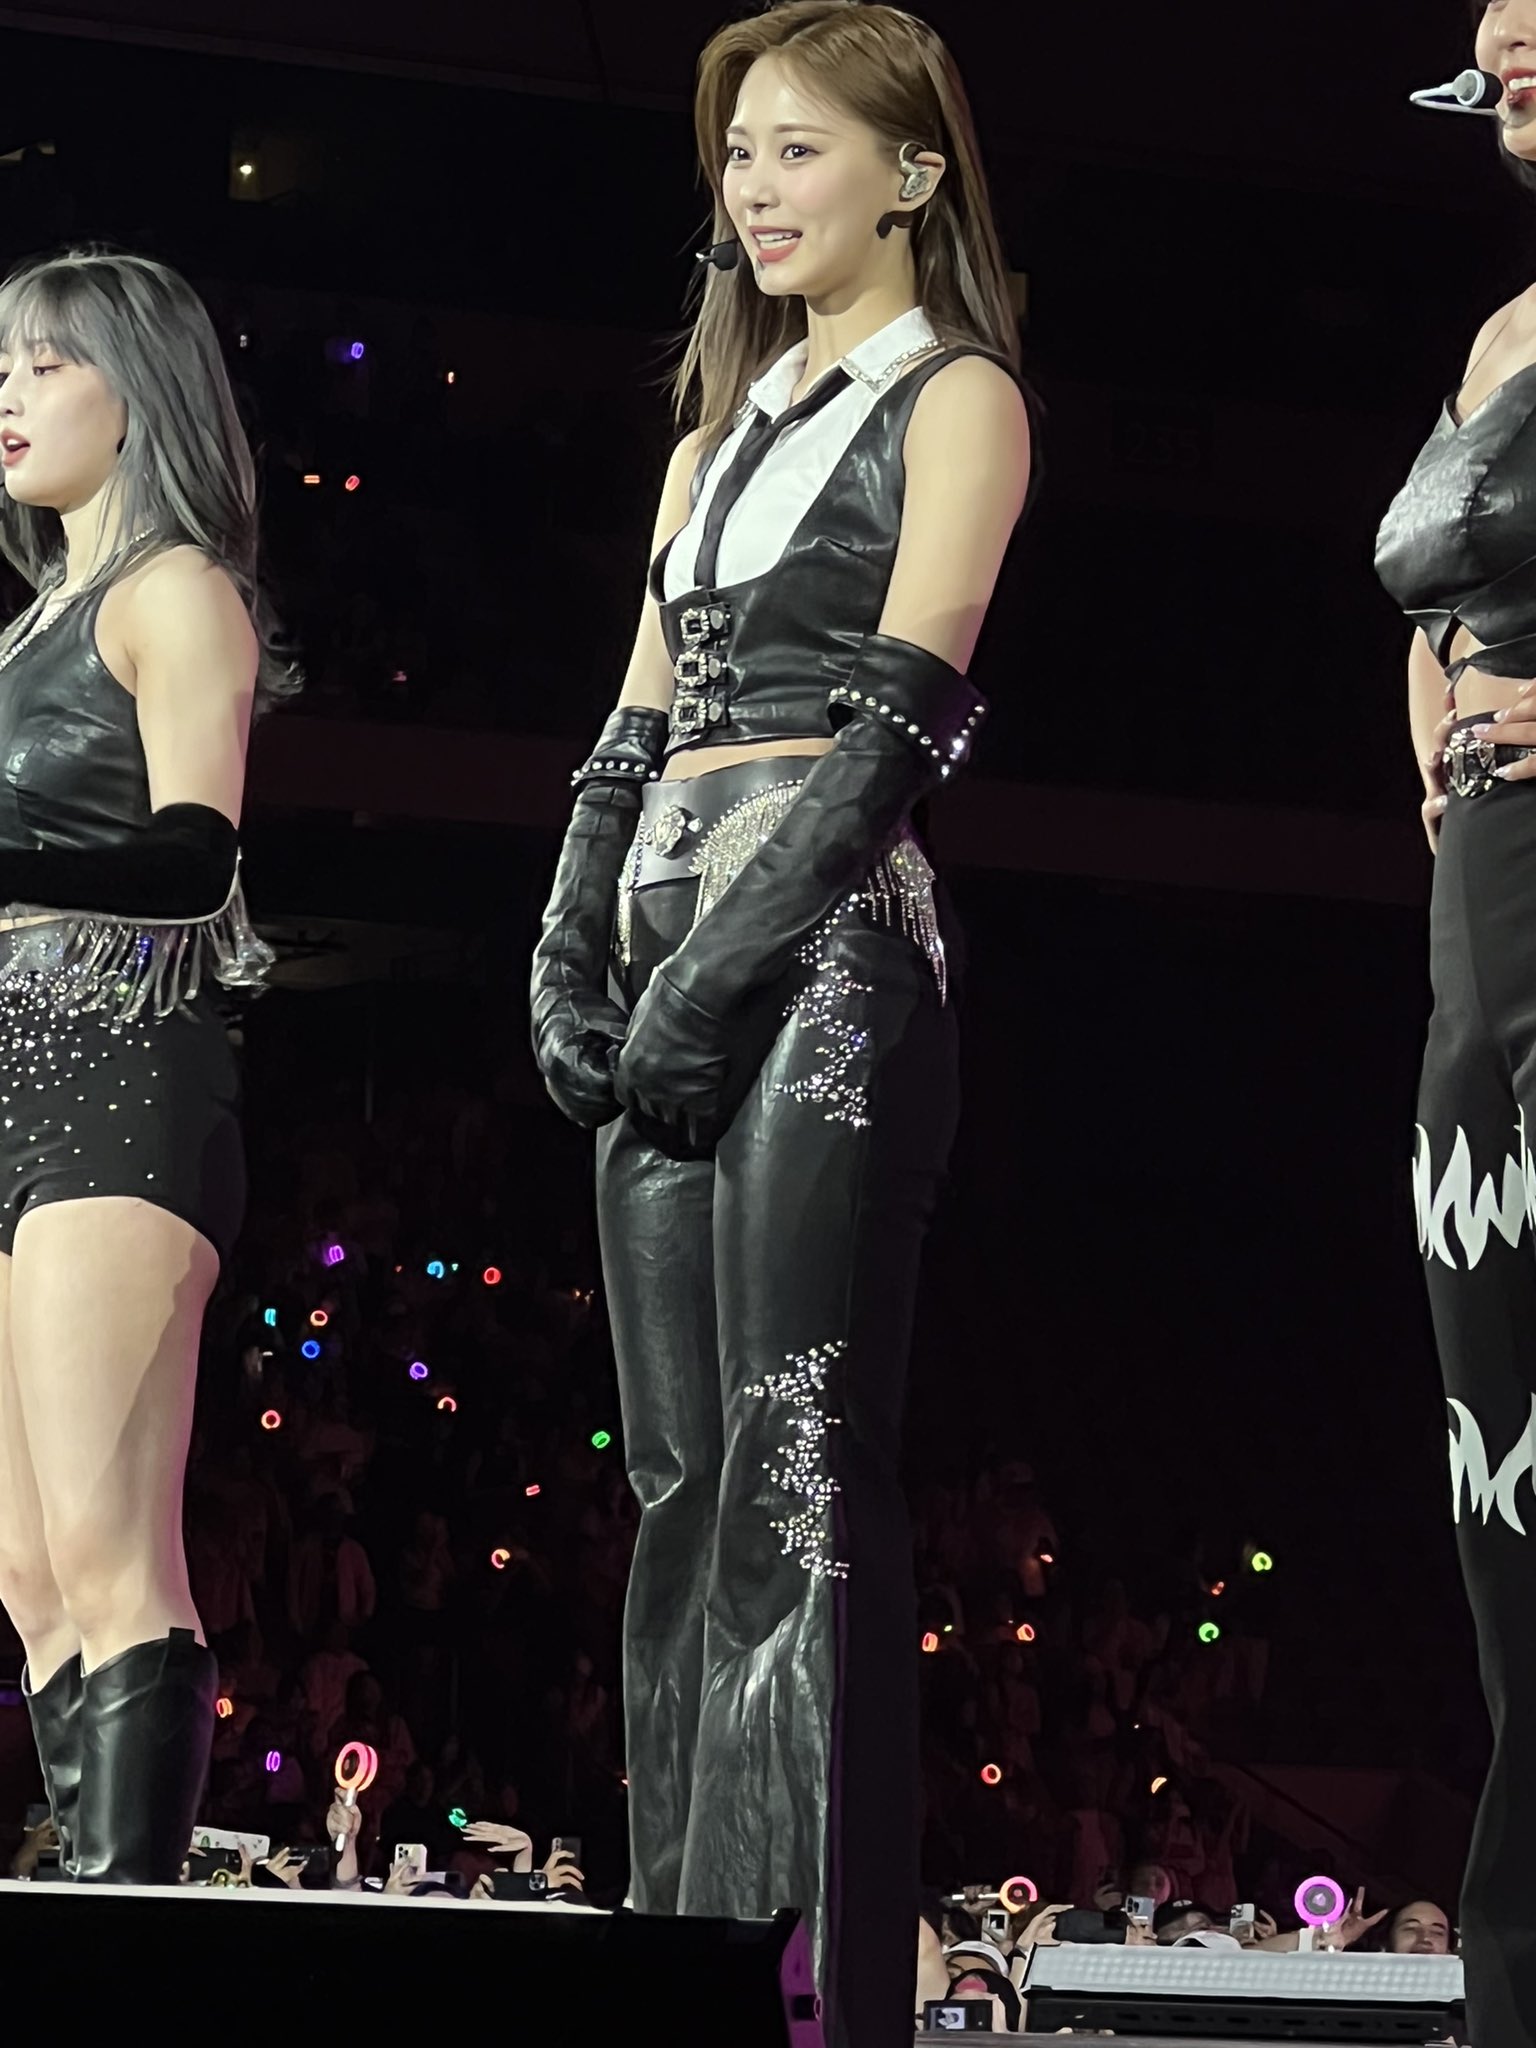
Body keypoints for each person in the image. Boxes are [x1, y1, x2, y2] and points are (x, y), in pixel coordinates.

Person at [530, 5, 1034, 2042]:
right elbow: (628, 729)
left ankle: (811, 1992)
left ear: (913, 173)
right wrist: (570, 953)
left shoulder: (961, 400)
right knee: (675, 1484)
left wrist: (726, 964)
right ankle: (690, 1954)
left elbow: (904, 719)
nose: (752, 187)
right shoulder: (711, 440)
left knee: (795, 1466)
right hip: (667, 940)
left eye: (798, 147)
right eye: (738, 151)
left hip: (821, 958)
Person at [0, 245, 296, 1882]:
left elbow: (197, 858)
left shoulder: (174, 591)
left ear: (141, 394)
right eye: (4, 363)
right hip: (10, 1079)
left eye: (47, 363)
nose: (10, 392)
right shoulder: (25, 630)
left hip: (116, 1073)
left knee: (112, 1551)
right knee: (29, 1572)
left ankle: (129, 1932)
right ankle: (87, 1896)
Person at [1375, 8, 1536, 2038]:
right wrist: (1443, 744)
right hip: (1482, 911)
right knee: (1510, 1471)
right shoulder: (1503, 334)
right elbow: (1436, 604)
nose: (1503, 33)